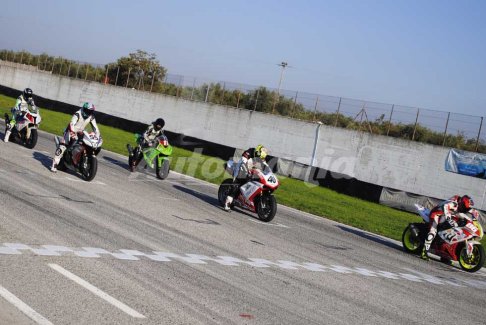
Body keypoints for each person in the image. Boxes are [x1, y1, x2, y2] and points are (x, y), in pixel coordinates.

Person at [50, 102, 100, 172]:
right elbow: (71, 124)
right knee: (62, 147)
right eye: (88, 111)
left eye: (91, 111)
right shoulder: (78, 114)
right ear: (84, 109)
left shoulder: (91, 117)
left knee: (87, 145)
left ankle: (80, 161)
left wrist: (97, 136)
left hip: (81, 132)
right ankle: (54, 166)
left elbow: (96, 129)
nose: (89, 112)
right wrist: (72, 132)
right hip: (70, 131)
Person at [421, 195, 475, 260]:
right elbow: (445, 206)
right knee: (433, 231)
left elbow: (469, 213)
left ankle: (445, 255)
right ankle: (424, 251)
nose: (465, 210)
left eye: (467, 209)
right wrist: (449, 218)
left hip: (446, 215)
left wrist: (473, 220)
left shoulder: (461, 205)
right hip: (436, 214)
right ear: (462, 203)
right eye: (465, 208)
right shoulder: (454, 203)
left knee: (453, 231)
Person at [224, 144, 269, 211]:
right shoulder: (249, 152)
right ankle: (227, 204)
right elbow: (243, 162)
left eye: (262, 157)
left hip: (251, 169)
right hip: (240, 168)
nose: (260, 158)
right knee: (237, 183)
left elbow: (265, 165)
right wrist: (247, 172)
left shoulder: (261, 157)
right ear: (257, 153)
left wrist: (269, 172)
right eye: (260, 157)